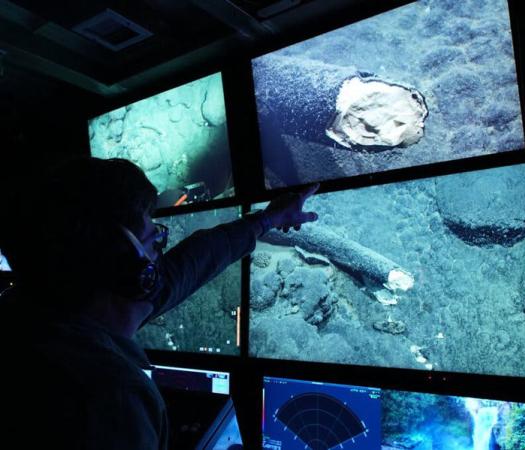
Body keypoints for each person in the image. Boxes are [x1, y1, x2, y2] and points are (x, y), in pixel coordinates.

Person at [0, 156, 318, 449]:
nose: (159, 260)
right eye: (155, 241)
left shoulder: (34, 313)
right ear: (123, 263)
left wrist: (265, 220)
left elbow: (186, 268)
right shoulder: (110, 399)